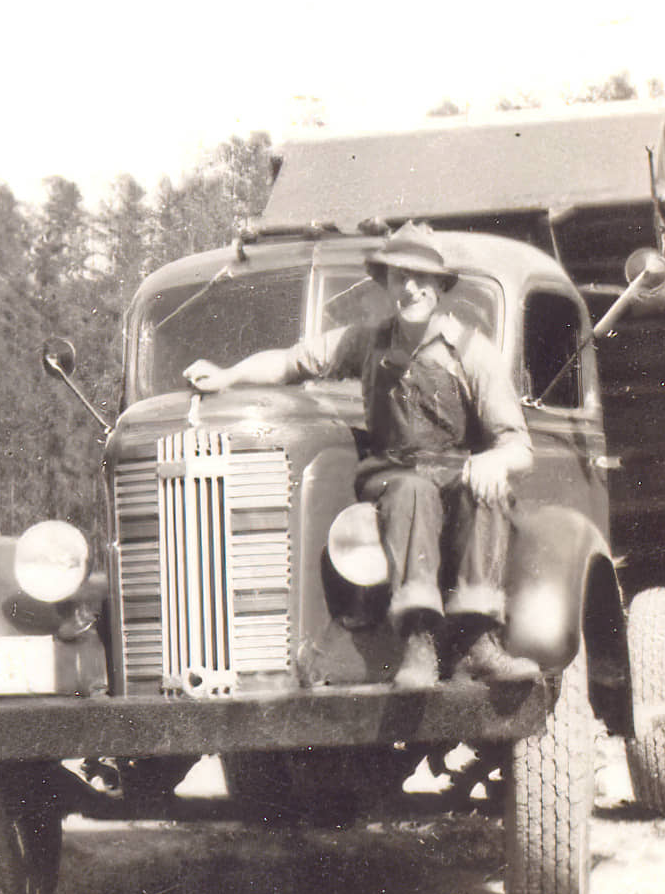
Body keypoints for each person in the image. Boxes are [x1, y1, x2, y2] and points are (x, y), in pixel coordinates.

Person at [183, 221, 538, 687]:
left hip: (454, 469)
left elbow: (519, 446)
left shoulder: (473, 352)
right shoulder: (365, 341)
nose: (410, 288)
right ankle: (418, 643)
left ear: (439, 286)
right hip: (392, 471)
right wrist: (228, 376)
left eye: (421, 278)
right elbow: (292, 362)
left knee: (487, 491)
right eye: (398, 277)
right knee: (411, 490)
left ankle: (477, 642)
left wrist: (495, 460)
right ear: (387, 284)